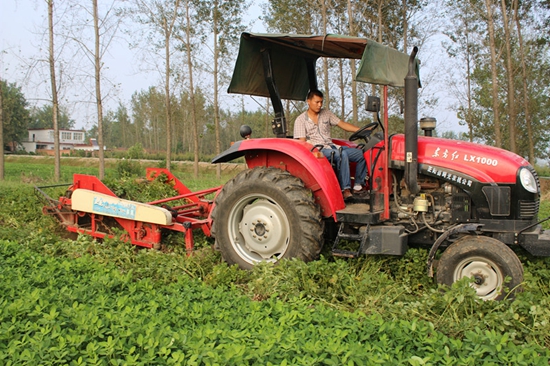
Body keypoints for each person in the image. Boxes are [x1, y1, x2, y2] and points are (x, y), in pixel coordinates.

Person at [294, 89, 367, 199]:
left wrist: (361, 130)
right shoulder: (300, 120)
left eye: (321, 102)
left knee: (362, 154)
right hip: (318, 150)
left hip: (332, 146)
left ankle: (357, 186)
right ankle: (345, 189)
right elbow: (302, 142)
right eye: (317, 102)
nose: (319, 105)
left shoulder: (326, 113)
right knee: (341, 154)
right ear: (308, 101)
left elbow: (342, 124)